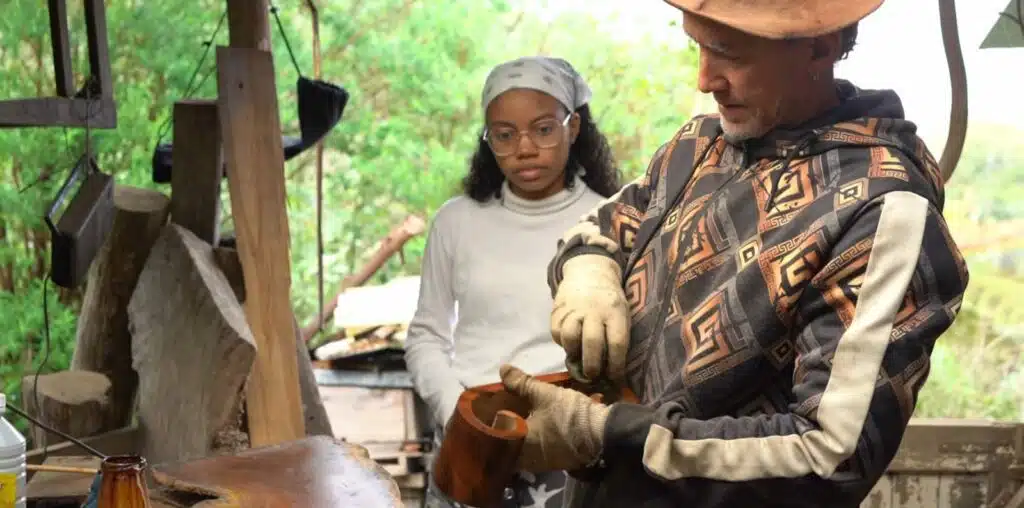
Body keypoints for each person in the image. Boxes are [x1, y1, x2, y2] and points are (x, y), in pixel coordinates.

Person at [494, 1, 971, 507]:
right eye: (697, 46)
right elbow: (605, 225)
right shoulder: (698, 146)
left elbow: (830, 455)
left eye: (728, 53)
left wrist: (610, 433)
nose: (704, 79)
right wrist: (588, 272)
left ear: (819, 46)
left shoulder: (882, 213)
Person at [403, 55, 623, 508]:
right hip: (474, 443)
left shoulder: (610, 219)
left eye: (543, 129)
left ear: (574, 127)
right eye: (504, 135)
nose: (524, 148)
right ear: (488, 140)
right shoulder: (456, 222)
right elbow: (426, 334)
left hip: (573, 447)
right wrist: (457, 414)